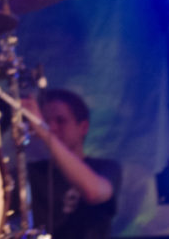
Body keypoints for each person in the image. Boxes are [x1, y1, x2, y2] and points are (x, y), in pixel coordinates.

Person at [22, 88, 122, 239]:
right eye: (46, 121)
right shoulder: (30, 172)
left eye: (60, 121)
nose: (52, 127)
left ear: (83, 127)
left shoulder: (105, 167)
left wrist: (44, 131)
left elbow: (93, 192)